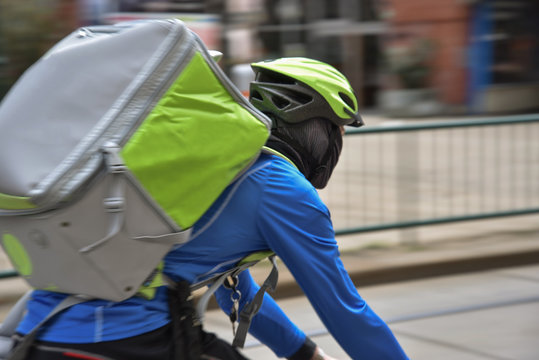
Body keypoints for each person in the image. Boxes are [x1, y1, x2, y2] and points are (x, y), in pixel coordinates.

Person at [14, 57, 409, 359]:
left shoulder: (229, 166)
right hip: (126, 335)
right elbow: (346, 312)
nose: (336, 147)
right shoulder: (282, 190)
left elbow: (234, 290)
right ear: (312, 128)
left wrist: (303, 353)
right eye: (336, 132)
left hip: (48, 321)